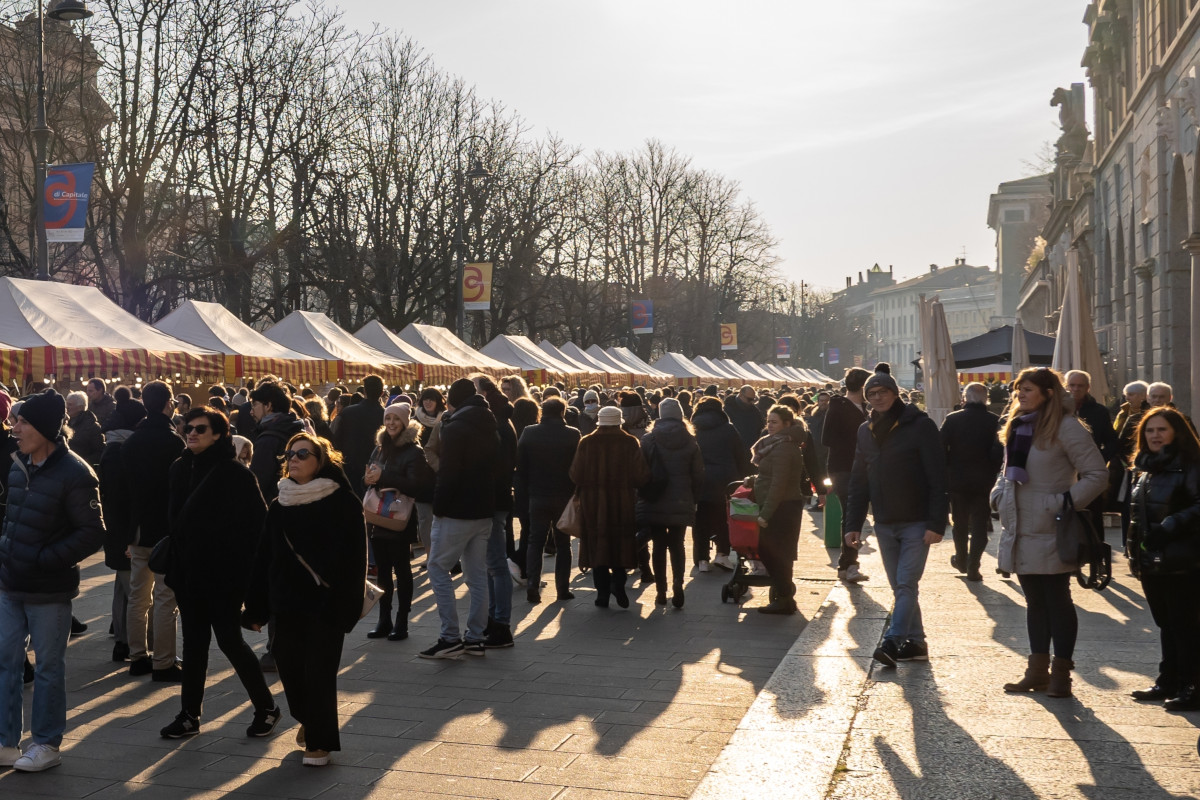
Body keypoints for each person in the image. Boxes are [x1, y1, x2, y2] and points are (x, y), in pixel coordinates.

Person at [244, 434, 365, 767]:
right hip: (286, 604)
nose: (293, 459)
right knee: (290, 671)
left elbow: (356, 559)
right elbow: (263, 558)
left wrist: (346, 606)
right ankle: (309, 720)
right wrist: (255, 609)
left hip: (326, 604)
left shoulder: (343, 502)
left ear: (320, 460)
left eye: (302, 453)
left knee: (319, 675)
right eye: (290, 454)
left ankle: (320, 742)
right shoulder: (280, 503)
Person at [158, 407, 279, 739]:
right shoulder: (179, 468)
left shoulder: (237, 475)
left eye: (200, 428)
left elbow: (259, 530)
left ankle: (267, 707)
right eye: (188, 428)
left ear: (218, 434)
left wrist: (246, 578)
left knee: (230, 641)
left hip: (225, 577)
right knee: (194, 643)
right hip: (187, 574)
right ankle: (189, 715)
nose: (192, 433)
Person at [0, 390, 105, 772]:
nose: (15, 428)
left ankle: (46, 743)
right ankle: (5, 741)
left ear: (44, 427)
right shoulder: (17, 465)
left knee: (47, 667)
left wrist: (45, 559)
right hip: (10, 582)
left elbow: (92, 532)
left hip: (48, 589)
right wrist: (6, 547)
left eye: (23, 421)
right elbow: (11, 518)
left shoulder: (76, 473)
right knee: (5, 660)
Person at [993, 367, 1108, 698]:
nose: (1020, 395)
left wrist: (1062, 503)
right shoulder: (1018, 425)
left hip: (1052, 526)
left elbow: (1097, 474)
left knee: (1057, 599)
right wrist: (998, 493)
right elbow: (1006, 471)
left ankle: (1061, 674)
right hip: (1019, 525)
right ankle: (1036, 671)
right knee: (1034, 602)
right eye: (1018, 390)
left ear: (1047, 392)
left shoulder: (1066, 426)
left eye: (1027, 389)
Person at [845, 369, 948, 666]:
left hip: (917, 520)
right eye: (871, 394)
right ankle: (915, 644)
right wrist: (853, 524)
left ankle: (892, 639)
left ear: (895, 393)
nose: (877, 398)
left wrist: (936, 522)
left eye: (883, 392)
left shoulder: (920, 426)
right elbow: (858, 481)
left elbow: (938, 476)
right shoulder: (865, 430)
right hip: (885, 521)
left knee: (906, 583)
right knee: (899, 585)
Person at [1126, 407, 1200, 711]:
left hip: (1183, 560)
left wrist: (1171, 526)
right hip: (1153, 561)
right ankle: (1168, 679)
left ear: (1177, 433)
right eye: (1149, 430)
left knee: (1186, 625)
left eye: (1161, 430)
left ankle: (1193, 686)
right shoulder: (1147, 469)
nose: (1155, 436)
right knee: (1166, 624)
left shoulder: (1191, 464)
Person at [420, 378, 498, 659]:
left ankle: (449, 636)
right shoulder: (489, 421)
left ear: (452, 400)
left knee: (438, 568)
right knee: (477, 575)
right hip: (482, 508)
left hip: (456, 510)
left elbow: (449, 472)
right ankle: (475, 637)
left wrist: (439, 506)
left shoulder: (455, 426)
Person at [120, 380, 184, 682]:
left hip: (138, 527)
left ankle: (137, 656)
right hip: (164, 529)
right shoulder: (174, 442)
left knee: (137, 595)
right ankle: (163, 661)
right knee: (164, 596)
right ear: (168, 403)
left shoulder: (132, 441)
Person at [363, 403, 434, 641]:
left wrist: (384, 476)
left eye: (396, 419)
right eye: (388, 418)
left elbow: (417, 486)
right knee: (382, 572)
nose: (391, 423)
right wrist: (369, 478)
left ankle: (402, 621)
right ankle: (384, 619)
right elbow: (373, 476)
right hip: (377, 515)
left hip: (400, 518)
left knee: (402, 571)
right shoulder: (379, 448)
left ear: (405, 422)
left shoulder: (414, 451)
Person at [745, 405, 824, 614]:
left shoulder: (783, 447)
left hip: (781, 507)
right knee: (780, 553)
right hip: (782, 504)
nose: (769, 426)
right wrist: (755, 480)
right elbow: (773, 476)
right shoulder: (779, 443)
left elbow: (779, 483)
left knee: (771, 551)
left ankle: (784, 597)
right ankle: (784, 597)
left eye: (774, 422)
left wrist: (765, 514)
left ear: (787, 424)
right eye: (768, 421)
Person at [569, 405, 650, 609]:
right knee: (621, 545)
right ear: (619, 421)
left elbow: (575, 474)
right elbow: (641, 476)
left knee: (597, 547)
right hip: (621, 503)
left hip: (593, 504)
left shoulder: (586, 442)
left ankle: (602, 595)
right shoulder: (630, 442)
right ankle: (618, 584)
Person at [636, 398, 704, 607]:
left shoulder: (648, 439)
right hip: (681, 499)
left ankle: (660, 590)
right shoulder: (690, 440)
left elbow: (640, 471)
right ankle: (678, 584)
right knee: (677, 544)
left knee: (658, 545)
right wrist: (694, 498)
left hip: (654, 500)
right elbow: (698, 474)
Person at [515, 397, 580, 603]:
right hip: (564, 496)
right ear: (563, 412)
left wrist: (523, 493)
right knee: (563, 544)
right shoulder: (572, 434)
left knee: (535, 542)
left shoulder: (529, 432)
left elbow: (521, 467)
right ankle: (563, 589)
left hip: (537, 495)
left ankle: (533, 585)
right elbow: (577, 468)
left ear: (543, 411)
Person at [940, 382, 1003, 582]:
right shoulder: (995, 421)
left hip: (957, 480)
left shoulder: (952, 419)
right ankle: (973, 565)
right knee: (979, 524)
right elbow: (999, 451)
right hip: (984, 481)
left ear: (964, 398)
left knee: (959, 523)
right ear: (986, 399)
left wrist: (947, 470)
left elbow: (940, 449)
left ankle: (961, 559)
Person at [472, 374, 517, 649]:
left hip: (493, 500)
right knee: (492, 565)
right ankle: (494, 620)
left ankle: (500, 623)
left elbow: (496, 467)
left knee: (496, 565)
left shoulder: (496, 424)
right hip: (497, 499)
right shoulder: (502, 420)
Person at [690, 396, 752, 572]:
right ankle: (722, 555)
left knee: (700, 520)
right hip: (725, 480)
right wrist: (744, 478)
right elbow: (741, 456)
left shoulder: (693, 429)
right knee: (723, 519)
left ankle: (701, 559)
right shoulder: (728, 429)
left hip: (700, 479)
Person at [822, 367, 872, 583]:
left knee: (855, 514)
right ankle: (849, 565)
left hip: (859, 468)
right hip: (843, 467)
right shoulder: (839, 407)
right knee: (853, 513)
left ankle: (846, 564)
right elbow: (827, 438)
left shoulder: (864, 408)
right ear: (863, 388)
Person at [1064, 370, 1118, 538]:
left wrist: (1100, 459)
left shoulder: (1099, 411)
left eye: (1080, 386)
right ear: (1066, 386)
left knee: (1093, 515)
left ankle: (1097, 556)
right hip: (1064, 471)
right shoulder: (1057, 411)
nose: (1075, 389)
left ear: (1088, 388)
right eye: (1072, 385)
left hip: (1089, 472)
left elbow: (1112, 440)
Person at [247, 380, 305, 502]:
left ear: (268, 405)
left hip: (275, 505)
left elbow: (258, 482)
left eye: (255, 404)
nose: (251, 411)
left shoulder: (268, 439)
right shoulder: (298, 429)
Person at [413, 388, 446, 557]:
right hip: (422, 477)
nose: (428, 402)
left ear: (438, 401)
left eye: (431, 399)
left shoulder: (446, 420)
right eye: (425, 399)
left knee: (442, 518)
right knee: (425, 519)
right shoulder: (414, 421)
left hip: (442, 474)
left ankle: (445, 555)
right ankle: (430, 553)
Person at [65, 390, 104, 468]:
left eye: (70, 405)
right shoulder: (64, 423)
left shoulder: (92, 426)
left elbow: (99, 452)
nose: (67, 407)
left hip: (81, 469)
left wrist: (82, 462)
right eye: (66, 404)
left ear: (80, 407)